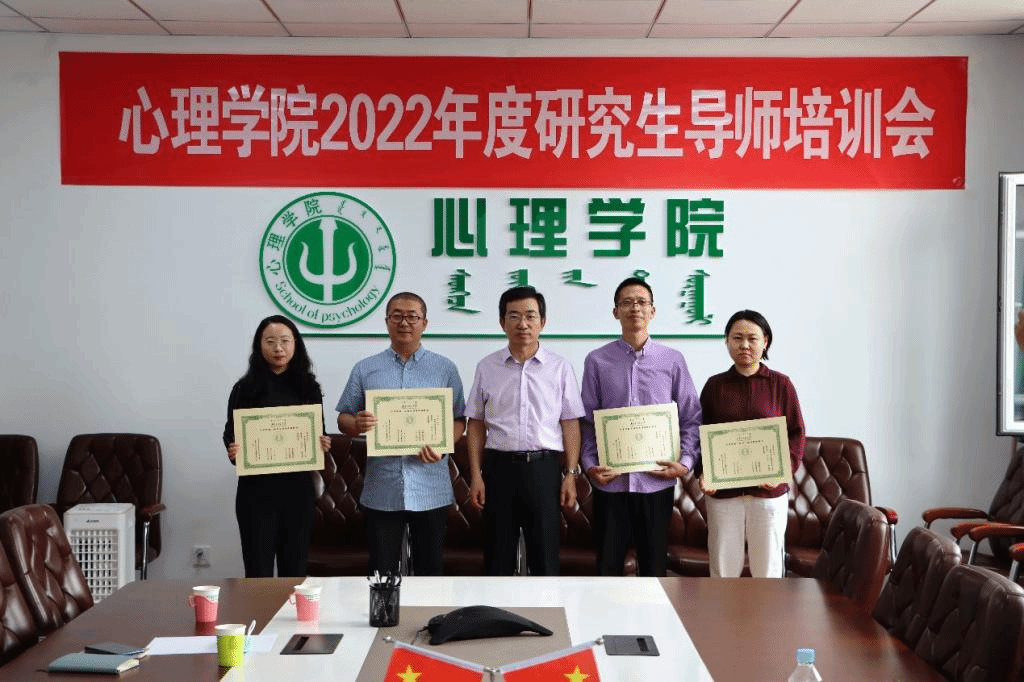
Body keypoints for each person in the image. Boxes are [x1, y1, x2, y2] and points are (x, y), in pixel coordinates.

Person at [336, 292, 466, 576]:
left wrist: (443, 445)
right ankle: (384, 608)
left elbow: (459, 420)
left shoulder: (444, 368)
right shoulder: (366, 368)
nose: (404, 322)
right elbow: (343, 417)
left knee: (430, 573)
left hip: (431, 486)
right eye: (397, 316)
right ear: (387, 322)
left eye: (412, 316)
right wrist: (356, 423)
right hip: (383, 487)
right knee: (381, 574)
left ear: (424, 323)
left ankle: (429, 609)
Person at [580, 277, 702, 576]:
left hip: (656, 482)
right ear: (615, 312)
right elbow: (587, 421)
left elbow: (691, 416)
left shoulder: (672, 360)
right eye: (627, 302)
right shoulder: (597, 361)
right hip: (611, 483)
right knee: (608, 568)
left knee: (653, 570)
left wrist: (685, 463)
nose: (635, 308)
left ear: (652, 311)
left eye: (641, 302)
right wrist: (590, 465)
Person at [465, 286, 584, 576]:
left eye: (530, 316)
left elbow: (570, 423)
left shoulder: (560, 368)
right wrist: (476, 475)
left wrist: (570, 475)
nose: (523, 324)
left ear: (542, 322)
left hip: (543, 469)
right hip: (499, 470)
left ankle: (546, 607)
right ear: (502, 322)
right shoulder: (487, 367)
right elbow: (476, 424)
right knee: (497, 560)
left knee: (545, 559)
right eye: (514, 316)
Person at [699, 309, 806, 579]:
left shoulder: (781, 385)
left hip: (768, 493)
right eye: (737, 338)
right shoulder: (714, 386)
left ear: (765, 341)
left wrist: (783, 471)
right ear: (727, 341)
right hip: (724, 494)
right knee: (723, 571)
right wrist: (703, 472)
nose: (744, 345)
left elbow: (796, 433)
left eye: (752, 338)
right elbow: (700, 434)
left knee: (768, 571)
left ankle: (767, 611)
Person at [223, 314, 331, 578]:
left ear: (296, 344)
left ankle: (291, 609)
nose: (278, 348)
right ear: (259, 346)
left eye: (284, 341)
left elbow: (319, 431)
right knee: (257, 571)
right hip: (256, 492)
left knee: (294, 571)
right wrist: (234, 450)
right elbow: (230, 432)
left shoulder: (308, 387)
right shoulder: (244, 388)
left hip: (298, 490)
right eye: (270, 341)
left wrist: (323, 442)